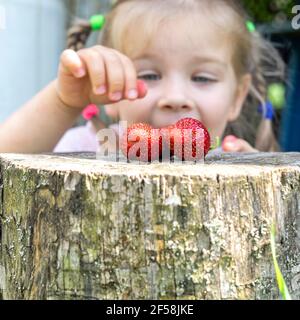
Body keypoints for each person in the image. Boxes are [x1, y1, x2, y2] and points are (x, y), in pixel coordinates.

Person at [0, 0, 284, 155]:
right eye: (149, 74)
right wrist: (64, 102)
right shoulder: (87, 148)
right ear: (109, 92)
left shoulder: (235, 161)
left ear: (237, 97)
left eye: (202, 78)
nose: (175, 98)